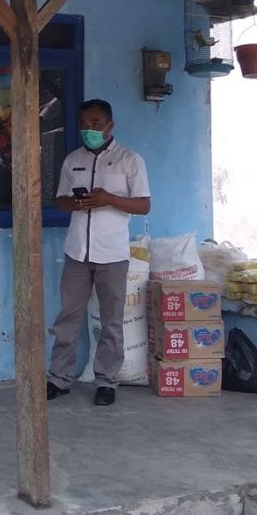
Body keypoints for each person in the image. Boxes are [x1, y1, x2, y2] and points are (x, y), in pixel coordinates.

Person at [46, 99, 151, 407]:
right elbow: (60, 201)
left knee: (112, 322)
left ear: (110, 125)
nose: (88, 129)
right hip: (77, 251)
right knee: (68, 318)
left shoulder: (130, 160)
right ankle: (58, 379)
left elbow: (144, 204)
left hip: (113, 254)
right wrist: (73, 203)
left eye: (95, 124)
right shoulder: (72, 160)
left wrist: (109, 199)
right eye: (84, 124)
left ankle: (106, 381)